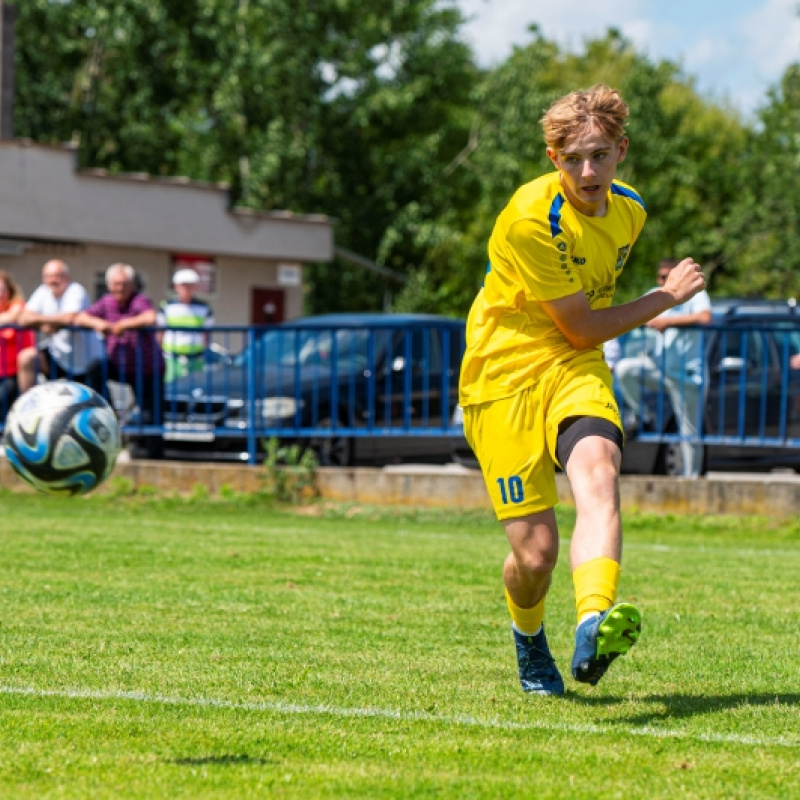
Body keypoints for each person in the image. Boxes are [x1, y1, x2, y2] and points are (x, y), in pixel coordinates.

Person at [458, 84, 707, 695]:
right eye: (572, 159)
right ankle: (528, 636)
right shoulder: (529, 219)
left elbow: (581, 337)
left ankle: (593, 618)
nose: (587, 171)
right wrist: (664, 299)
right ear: (553, 159)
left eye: (599, 155)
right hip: (504, 376)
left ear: (622, 150)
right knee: (535, 555)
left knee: (598, 472)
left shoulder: (631, 211)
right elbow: (581, 323)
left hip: (575, 367)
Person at [614, 259, 713, 478]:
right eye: (661, 277)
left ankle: (691, 481)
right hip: (660, 368)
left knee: (689, 432)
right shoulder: (656, 293)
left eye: (668, 276)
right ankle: (643, 415)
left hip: (687, 374)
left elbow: (705, 318)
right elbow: (630, 314)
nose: (663, 281)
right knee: (625, 369)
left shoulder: (695, 293)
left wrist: (669, 322)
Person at [75, 263, 165, 453]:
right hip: (120, 364)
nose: (120, 288)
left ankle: (154, 455)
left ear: (132, 285)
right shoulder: (106, 302)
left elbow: (150, 317)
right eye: (116, 284)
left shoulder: (139, 301)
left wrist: (124, 324)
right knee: (94, 368)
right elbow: (81, 318)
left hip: (147, 369)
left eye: (124, 284)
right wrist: (98, 323)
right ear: (109, 285)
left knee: (151, 415)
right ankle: (109, 411)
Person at [16, 259, 103, 392]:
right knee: (27, 358)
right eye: (48, 276)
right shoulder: (43, 291)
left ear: (67, 277)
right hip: (59, 357)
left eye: (57, 275)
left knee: (95, 405)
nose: (53, 280)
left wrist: (44, 321)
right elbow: (24, 318)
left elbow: (69, 317)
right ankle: (29, 405)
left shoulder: (76, 290)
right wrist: (49, 323)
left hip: (85, 362)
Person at [157, 267, 214, 382]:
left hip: (196, 358)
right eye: (183, 285)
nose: (186, 289)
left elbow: (206, 334)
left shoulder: (204, 308)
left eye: (190, 285)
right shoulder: (166, 306)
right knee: (170, 391)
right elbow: (160, 333)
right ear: (176, 286)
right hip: (171, 358)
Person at [0, 271, 35, 421]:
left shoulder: (17, 306)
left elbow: (14, 316)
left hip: (13, 372)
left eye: (2, 290)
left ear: (9, 291)